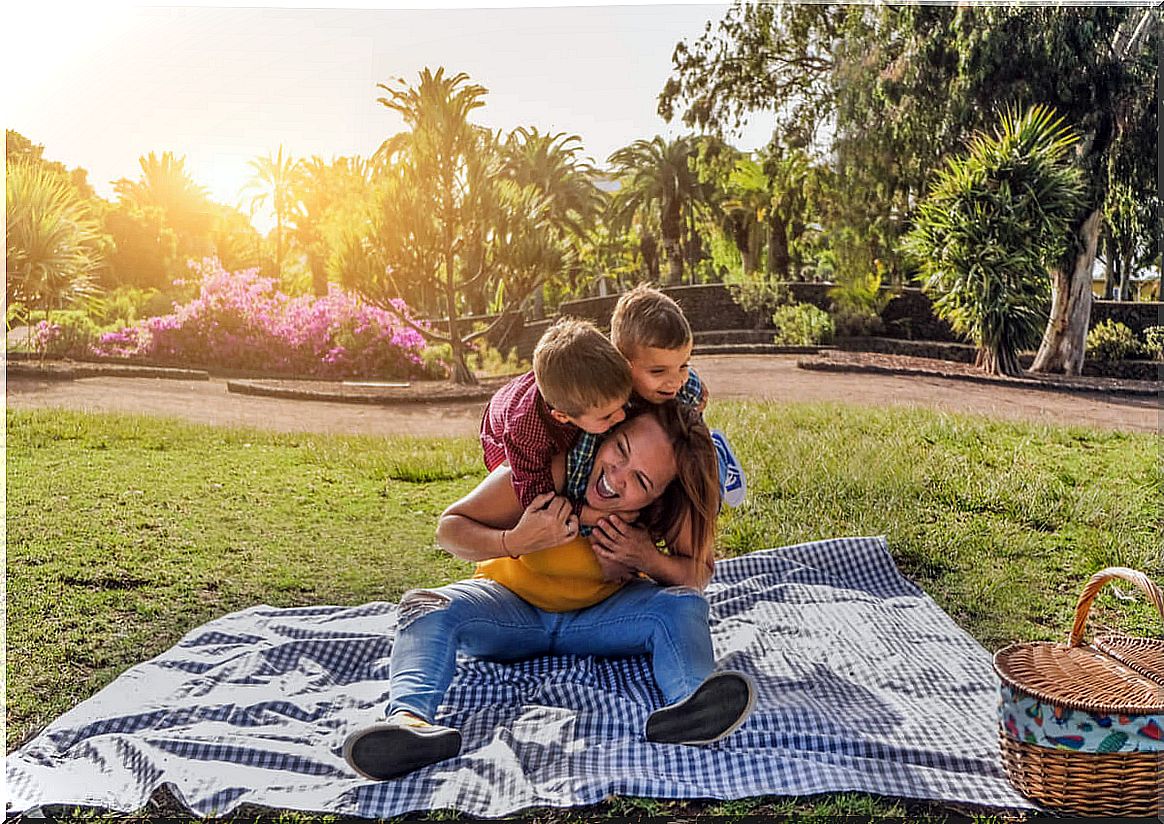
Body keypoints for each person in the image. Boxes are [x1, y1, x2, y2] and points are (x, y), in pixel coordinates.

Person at [342, 402, 755, 782]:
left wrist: (647, 557)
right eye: (620, 451)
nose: (615, 478)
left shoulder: (661, 509)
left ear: (658, 494)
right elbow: (449, 529)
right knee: (426, 606)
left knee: (683, 604)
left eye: (640, 481)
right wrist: (516, 540)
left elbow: (696, 576)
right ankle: (410, 723)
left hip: (600, 618)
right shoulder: (546, 470)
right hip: (509, 610)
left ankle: (693, 706)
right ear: (606, 434)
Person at [565, 284, 747, 516]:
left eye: (683, 365)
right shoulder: (602, 402)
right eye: (658, 371)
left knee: (705, 484)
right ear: (623, 365)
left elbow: (690, 430)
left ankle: (719, 452)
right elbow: (577, 476)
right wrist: (587, 513)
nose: (675, 381)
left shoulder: (685, 387)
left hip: (672, 449)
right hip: (634, 468)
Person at [480, 317, 632, 529]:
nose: (622, 417)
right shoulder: (526, 431)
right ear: (562, 416)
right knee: (528, 488)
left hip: (533, 398)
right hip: (497, 432)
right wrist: (592, 516)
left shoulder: (589, 392)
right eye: (607, 417)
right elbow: (535, 496)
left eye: (623, 405)